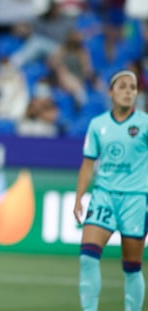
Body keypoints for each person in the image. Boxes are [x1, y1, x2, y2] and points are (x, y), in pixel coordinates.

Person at [73, 70, 148, 311]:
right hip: (103, 196)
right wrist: (78, 198)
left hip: (136, 200)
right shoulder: (98, 125)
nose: (128, 92)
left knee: (132, 265)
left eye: (133, 87)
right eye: (123, 87)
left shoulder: (145, 124)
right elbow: (87, 165)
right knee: (87, 257)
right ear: (111, 92)